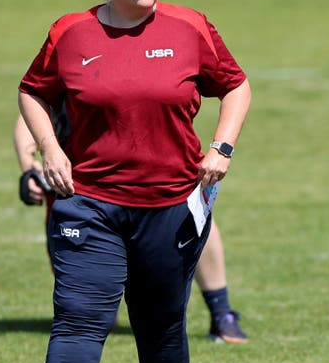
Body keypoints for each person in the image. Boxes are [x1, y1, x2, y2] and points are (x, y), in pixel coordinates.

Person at [9, 0, 251, 363]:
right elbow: (32, 90)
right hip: (87, 202)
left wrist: (223, 146)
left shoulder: (190, 26)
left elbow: (235, 85)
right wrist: (49, 151)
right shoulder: (70, 33)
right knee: (79, 317)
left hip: (169, 205)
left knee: (161, 322)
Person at [14, 113, 248, 344]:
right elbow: (33, 101)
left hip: (146, 171)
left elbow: (234, 85)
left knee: (191, 217)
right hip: (78, 190)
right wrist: (29, 168)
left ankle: (221, 312)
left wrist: (220, 149)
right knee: (90, 315)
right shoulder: (67, 76)